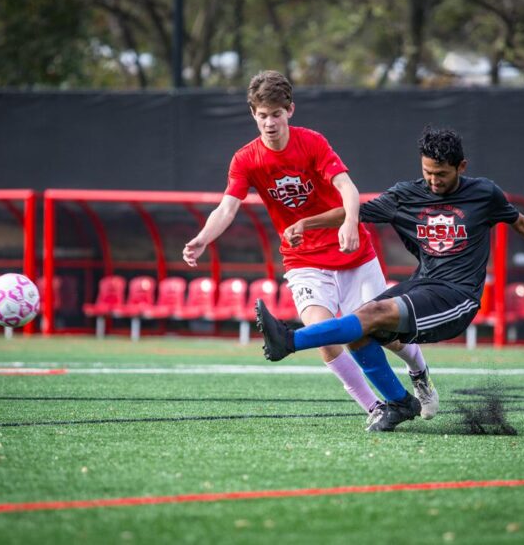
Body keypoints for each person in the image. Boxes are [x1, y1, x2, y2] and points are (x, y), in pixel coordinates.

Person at [256, 126, 524, 432]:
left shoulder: (484, 194)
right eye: (427, 172)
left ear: (461, 167)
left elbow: (520, 223)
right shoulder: (406, 196)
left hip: (457, 298)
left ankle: (290, 341)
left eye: (442, 174)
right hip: (423, 284)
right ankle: (399, 403)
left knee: (367, 317)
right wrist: (305, 224)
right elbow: (352, 210)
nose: (433, 180)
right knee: (359, 330)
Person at [182, 70, 437, 419]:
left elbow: (348, 188)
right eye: (262, 115)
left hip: (354, 256)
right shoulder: (246, 159)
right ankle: (376, 408)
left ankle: (420, 374)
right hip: (303, 260)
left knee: (380, 333)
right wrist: (202, 238)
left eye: (276, 113)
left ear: (290, 110)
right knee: (325, 336)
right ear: (253, 114)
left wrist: (350, 222)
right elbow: (228, 206)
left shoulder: (312, 142)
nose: (269, 122)